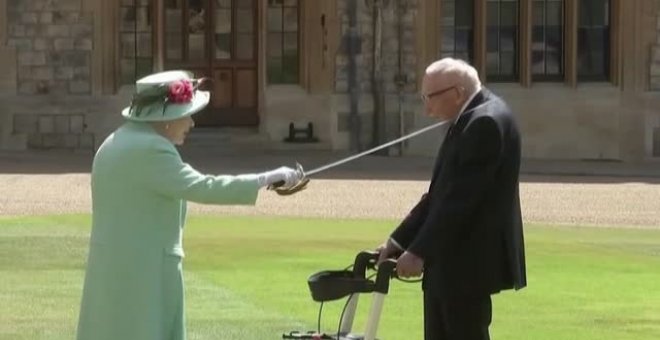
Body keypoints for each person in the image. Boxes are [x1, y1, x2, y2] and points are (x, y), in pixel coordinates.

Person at [76, 70, 304, 340]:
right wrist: (265, 178)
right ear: (167, 119)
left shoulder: (114, 141)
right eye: (186, 114)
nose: (192, 123)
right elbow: (203, 186)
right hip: (145, 273)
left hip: (114, 269)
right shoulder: (151, 149)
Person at [376, 58, 527, 340]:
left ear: (457, 93)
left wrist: (418, 252)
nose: (426, 107)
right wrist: (397, 242)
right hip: (447, 263)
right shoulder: (470, 117)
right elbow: (439, 194)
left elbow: (458, 202)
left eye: (430, 98)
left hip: (465, 266)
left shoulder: (484, 123)